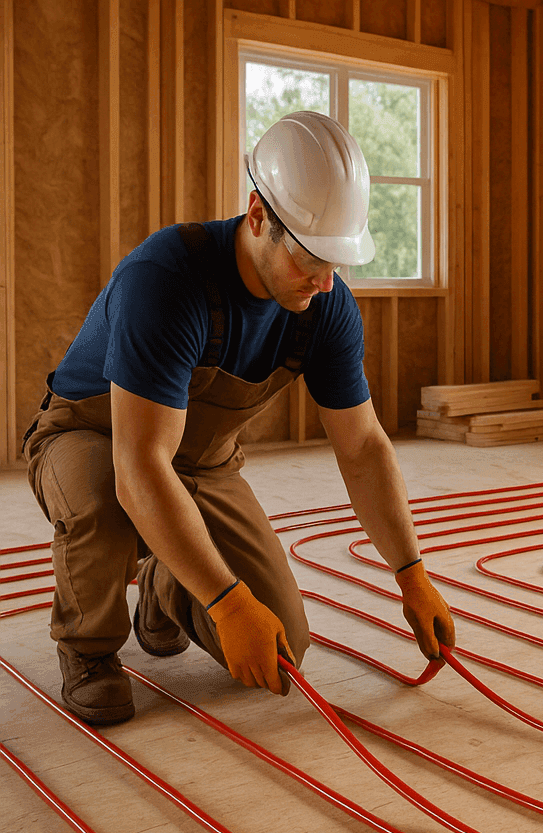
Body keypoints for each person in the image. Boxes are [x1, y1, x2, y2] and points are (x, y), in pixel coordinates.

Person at [23, 110, 455, 725]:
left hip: (201, 460)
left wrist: (411, 574)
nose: (325, 282)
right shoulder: (166, 280)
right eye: (310, 257)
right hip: (94, 435)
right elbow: (139, 466)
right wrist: (226, 605)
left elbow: (362, 447)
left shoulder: (324, 303)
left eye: (337, 262)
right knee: (104, 500)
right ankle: (88, 650)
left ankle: (167, 586)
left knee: (284, 644)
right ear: (257, 216)